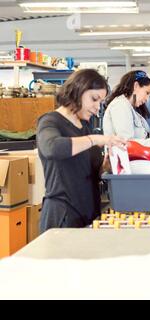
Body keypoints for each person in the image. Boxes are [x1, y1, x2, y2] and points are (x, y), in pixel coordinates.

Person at [37, 69, 127, 233]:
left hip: (88, 212)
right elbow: (53, 148)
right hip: (63, 217)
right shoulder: (50, 121)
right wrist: (97, 139)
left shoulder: (85, 127)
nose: (97, 107)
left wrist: (105, 166)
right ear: (77, 90)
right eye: (94, 99)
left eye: (100, 102)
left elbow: (89, 172)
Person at [103, 70, 150, 149]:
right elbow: (127, 143)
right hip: (125, 160)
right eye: (147, 93)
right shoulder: (120, 105)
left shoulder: (131, 109)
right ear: (136, 86)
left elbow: (147, 135)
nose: (147, 99)